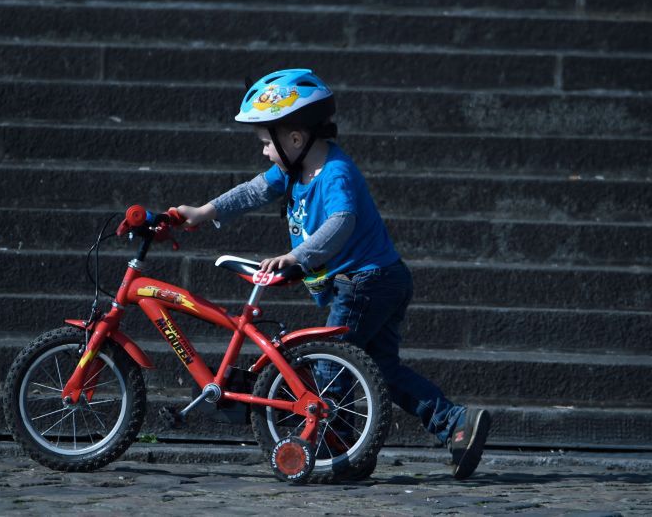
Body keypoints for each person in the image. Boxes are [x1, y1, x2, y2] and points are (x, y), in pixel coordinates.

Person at [174, 68, 490, 480]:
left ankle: (336, 452)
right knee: (382, 371)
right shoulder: (293, 169)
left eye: (267, 143)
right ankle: (456, 424)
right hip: (380, 279)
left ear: (295, 138)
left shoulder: (335, 172)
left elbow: (342, 221)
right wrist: (204, 213)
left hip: (365, 281)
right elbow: (253, 190)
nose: (265, 152)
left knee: (328, 373)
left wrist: (295, 256)